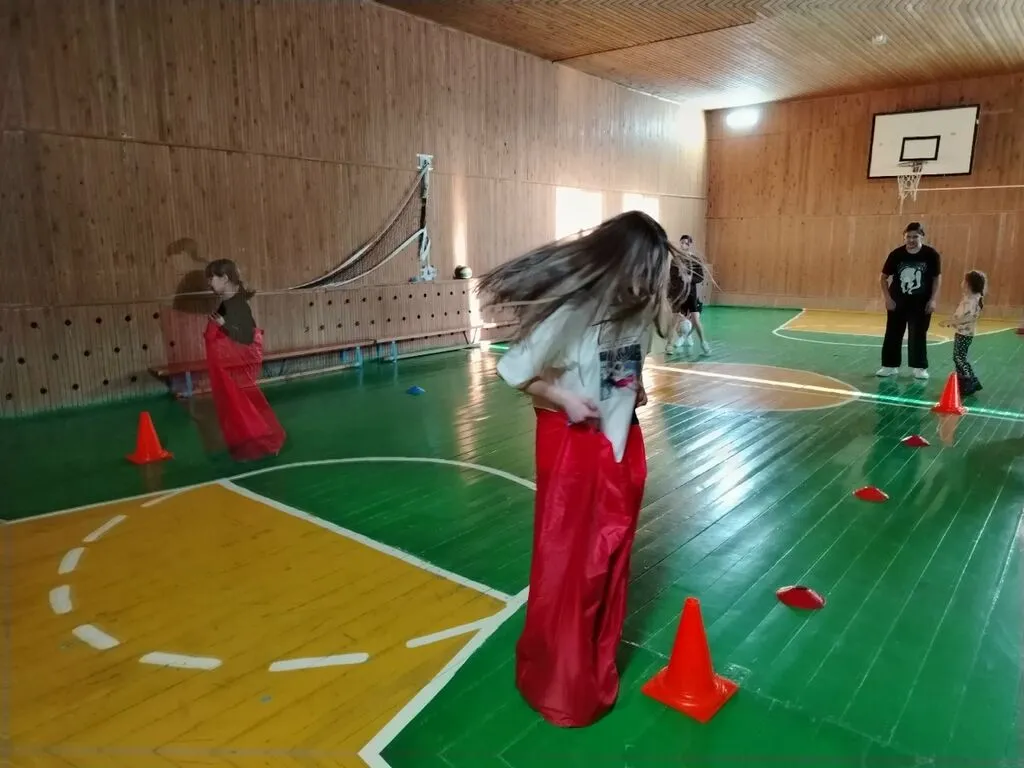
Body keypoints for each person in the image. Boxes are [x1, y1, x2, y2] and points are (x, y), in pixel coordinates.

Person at [477, 210, 700, 728]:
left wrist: (632, 387)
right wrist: (563, 398)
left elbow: (628, 360)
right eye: (645, 269)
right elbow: (514, 371)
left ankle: (592, 667)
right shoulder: (574, 311)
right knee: (570, 568)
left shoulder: (638, 308)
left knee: (608, 564)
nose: (649, 281)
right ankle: (560, 682)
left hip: (620, 447)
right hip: (573, 448)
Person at [204, 259, 286, 461]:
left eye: (211, 278)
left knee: (245, 407)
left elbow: (247, 338)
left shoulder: (239, 305)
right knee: (236, 407)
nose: (209, 283)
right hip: (228, 366)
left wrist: (223, 326)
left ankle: (265, 441)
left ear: (224, 278)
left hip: (238, 365)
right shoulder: (225, 304)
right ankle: (249, 442)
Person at [877, 222, 942, 379]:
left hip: (921, 303)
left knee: (918, 334)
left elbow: (936, 278)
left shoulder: (931, 254)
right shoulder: (896, 254)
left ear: (922, 237)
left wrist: (933, 299)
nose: (911, 240)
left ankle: (919, 367)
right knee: (892, 333)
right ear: (904, 237)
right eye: (908, 237)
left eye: (915, 237)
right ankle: (889, 366)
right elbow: (883, 278)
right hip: (897, 302)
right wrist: (888, 298)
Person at [943, 270, 986, 396]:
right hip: (961, 331)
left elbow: (970, 317)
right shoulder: (968, 298)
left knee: (959, 357)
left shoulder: (973, 300)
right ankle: (963, 381)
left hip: (965, 333)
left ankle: (970, 379)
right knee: (958, 357)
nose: (962, 283)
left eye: (964, 281)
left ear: (969, 284)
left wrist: (952, 321)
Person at [668, 234, 710, 354]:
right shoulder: (675, 260)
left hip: (691, 294)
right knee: (674, 319)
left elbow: (700, 277)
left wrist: (690, 279)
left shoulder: (695, 260)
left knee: (696, 319)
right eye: (681, 243)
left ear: (690, 245)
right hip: (679, 294)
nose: (683, 245)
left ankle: (703, 343)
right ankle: (669, 345)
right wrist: (680, 278)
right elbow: (672, 277)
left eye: (686, 243)